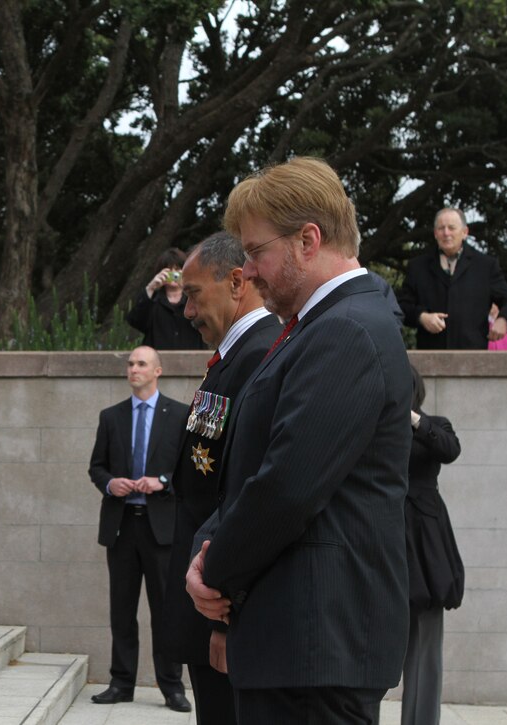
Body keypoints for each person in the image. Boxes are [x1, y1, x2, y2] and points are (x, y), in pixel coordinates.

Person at [186, 157, 413, 724]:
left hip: (317, 647)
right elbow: (252, 463)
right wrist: (207, 548)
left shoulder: (347, 329)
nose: (252, 273)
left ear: (308, 240)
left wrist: (214, 573)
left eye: (257, 252)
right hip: (298, 645)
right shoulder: (319, 326)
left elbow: (289, 484)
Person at [162, 232, 281, 725]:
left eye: (193, 294)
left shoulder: (257, 355)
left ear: (236, 282)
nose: (187, 311)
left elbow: (244, 495)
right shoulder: (235, 354)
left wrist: (227, 621)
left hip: (220, 605)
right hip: (205, 593)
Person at [88, 345, 192, 713]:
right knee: (122, 609)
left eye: (141, 364)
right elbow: (96, 467)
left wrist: (162, 481)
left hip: (161, 529)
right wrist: (110, 484)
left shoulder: (180, 415)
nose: (134, 369)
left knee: (166, 610)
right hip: (121, 527)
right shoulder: (111, 417)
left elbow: (189, 472)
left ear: (157, 371)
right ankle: (121, 683)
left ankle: (172, 687)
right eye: (130, 363)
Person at [401, 365, 464, 725]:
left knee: (427, 638)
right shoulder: (380, 426)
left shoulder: (433, 424)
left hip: (426, 538)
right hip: (391, 533)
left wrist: (413, 419)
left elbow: (450, 449)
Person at [398, 207, 507, 349]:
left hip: (473, 359)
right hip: (431, 358)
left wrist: (504, 320)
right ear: (435, 234)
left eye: (451, 228)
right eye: (441, 228)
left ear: (465, 232)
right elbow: (402, 306)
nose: (446, 233)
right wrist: (422, 316)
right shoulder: (418, 266)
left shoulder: (486, 266)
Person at [126, 248, 206, 350]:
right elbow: (135, 321)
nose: (173, 274)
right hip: (157, 361)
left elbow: (206, 319)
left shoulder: (194, 298)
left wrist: (189, 287)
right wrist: (151, 287)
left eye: (177, 269)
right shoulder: (152, 300)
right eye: (169, 270)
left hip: (191, 359)